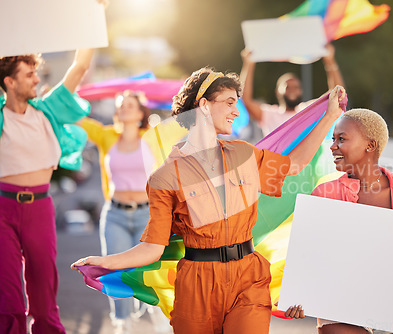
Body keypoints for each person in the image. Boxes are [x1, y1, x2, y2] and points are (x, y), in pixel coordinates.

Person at [71, 67, 346, 334]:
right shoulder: (164, 178)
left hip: (248, 279)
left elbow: (295, 164)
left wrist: (330, 115)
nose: (236, 112)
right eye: (228, 102)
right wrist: (107, 262)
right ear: (203, 105)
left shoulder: (243, 154)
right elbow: (153, 248)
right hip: (196, 286)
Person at [283, 108, 393, 334]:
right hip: (340, 303)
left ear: (370, 145)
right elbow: (308, 255)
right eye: (333, 139)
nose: (333, 146)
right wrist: (297, 297)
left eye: (342, 139)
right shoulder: (324, 194)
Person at [0, 46, 96, 333]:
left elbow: (79, 67)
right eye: (29, 75)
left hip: (39, 207)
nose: (37, 80)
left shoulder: (47, 110)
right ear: (10, 81)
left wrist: (92, 18)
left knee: (43, 286)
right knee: (7, 293)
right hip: (3, 208)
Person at [79, 90, 170, 333]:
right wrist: (62, 96)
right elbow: (79, 120)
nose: (126, 108)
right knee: (114, 269)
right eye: (122, 105)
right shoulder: (107, 136)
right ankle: (123, 324)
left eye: (131, 105)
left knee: (151, 270)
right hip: (115, 215)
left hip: (148, 214)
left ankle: (159, 321)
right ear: (117, 112)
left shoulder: (152, 137)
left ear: (141, 112)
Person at [240, 43, 345, 137]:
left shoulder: (308, 110)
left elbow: (337, 94)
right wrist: (248, 64)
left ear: (301, 91)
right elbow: (246, 100)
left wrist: (330, 61)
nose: (292, 90)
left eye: (296, 87)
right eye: (287, 87)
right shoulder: (269, 114)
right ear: (277, 92)